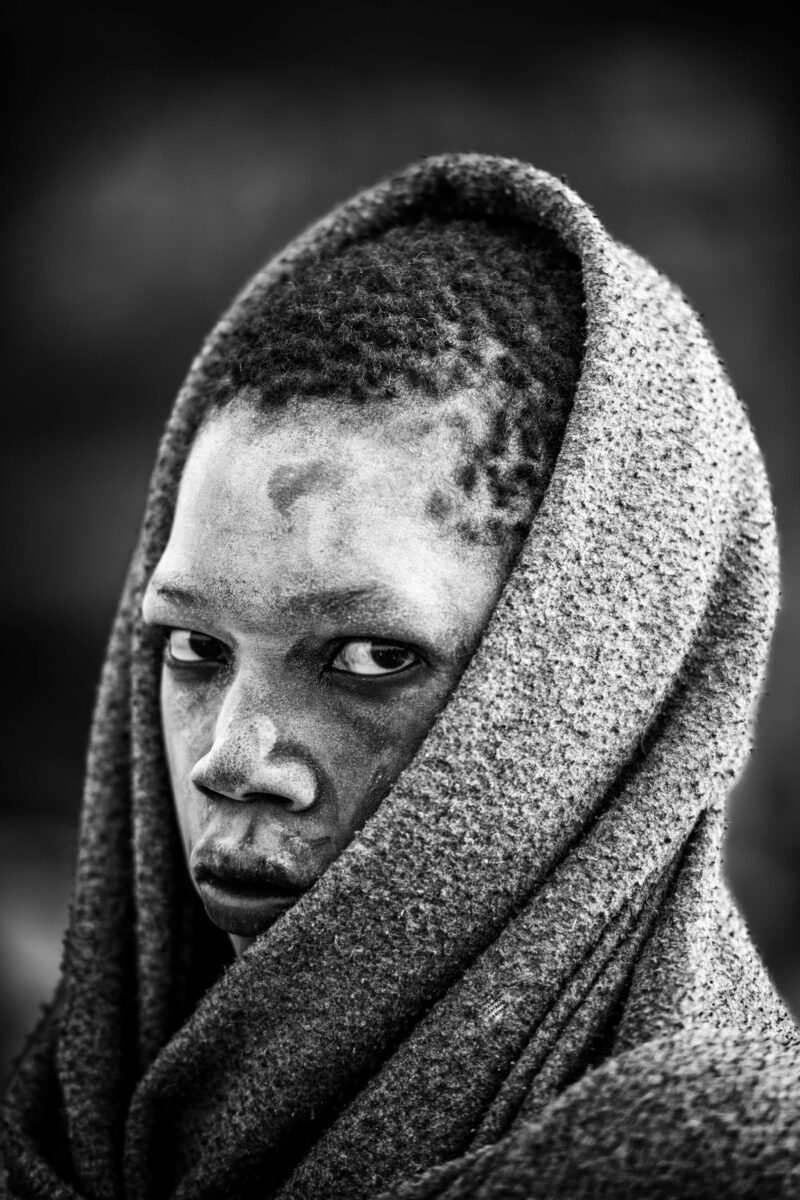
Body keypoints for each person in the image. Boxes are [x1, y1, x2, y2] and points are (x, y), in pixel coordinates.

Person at [2, 154, 798, 1199]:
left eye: (372, 659)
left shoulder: (729, 1170)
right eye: (194, 648)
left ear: (590, 686)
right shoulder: (64, 1144)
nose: (230, 760)